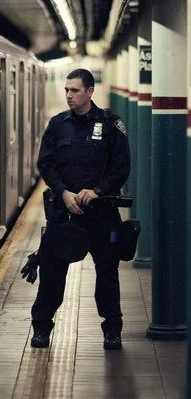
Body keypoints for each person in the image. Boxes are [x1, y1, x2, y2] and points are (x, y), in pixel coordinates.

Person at [30, 68, 130, 350]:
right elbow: (46, 164)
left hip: (102, 214)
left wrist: (97, 191)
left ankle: (112, 330)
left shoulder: (111, 124)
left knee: (107, 272)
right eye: (67, 90)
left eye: (74, 90)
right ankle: (41, 328)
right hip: (64, 215)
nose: (69, 95)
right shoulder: (57, 124)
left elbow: (121, 168)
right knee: (51, 272)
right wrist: (63, 193)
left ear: (90, 91)